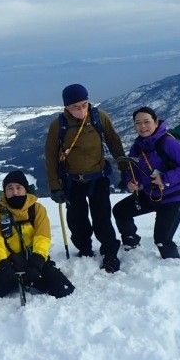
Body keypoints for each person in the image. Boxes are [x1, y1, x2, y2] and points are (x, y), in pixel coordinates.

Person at [44, 83, 126, 273]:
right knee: (77, 219)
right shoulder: (59, 125)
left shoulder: (99, 117)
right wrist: (55, 186)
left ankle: (109, 252)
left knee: (102, 216)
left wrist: (125, 169)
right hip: (72, 180)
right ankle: (85, 249)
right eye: (75, 107)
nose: (81, 110)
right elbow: (50, 155)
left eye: (84, 104)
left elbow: (114, 142)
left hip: (98, 178)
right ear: (66, 107)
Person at [0, 170, 74, 302]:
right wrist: (2, 263)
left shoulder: (37, 209)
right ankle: (16, 280)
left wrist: (37, 261)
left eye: (18, 187)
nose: (14, 192)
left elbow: (42, 236)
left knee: (64, 289)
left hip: (35, 260)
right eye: (10, 188)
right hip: (9, 263)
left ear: (25, 189)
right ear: (5, 191)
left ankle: (29, 280)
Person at [113, 107, 180, 259]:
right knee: (120, 211)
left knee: (162, 240)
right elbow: (131, 169)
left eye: (147, 122)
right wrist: (130, 182)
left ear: (156, 122)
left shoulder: (168, 142)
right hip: (151, 195)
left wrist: (165, 178)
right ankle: (131, 245)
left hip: (173, 198)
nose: (142, 126)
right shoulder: (138, 146)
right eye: (138, 123)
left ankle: (175, 268)